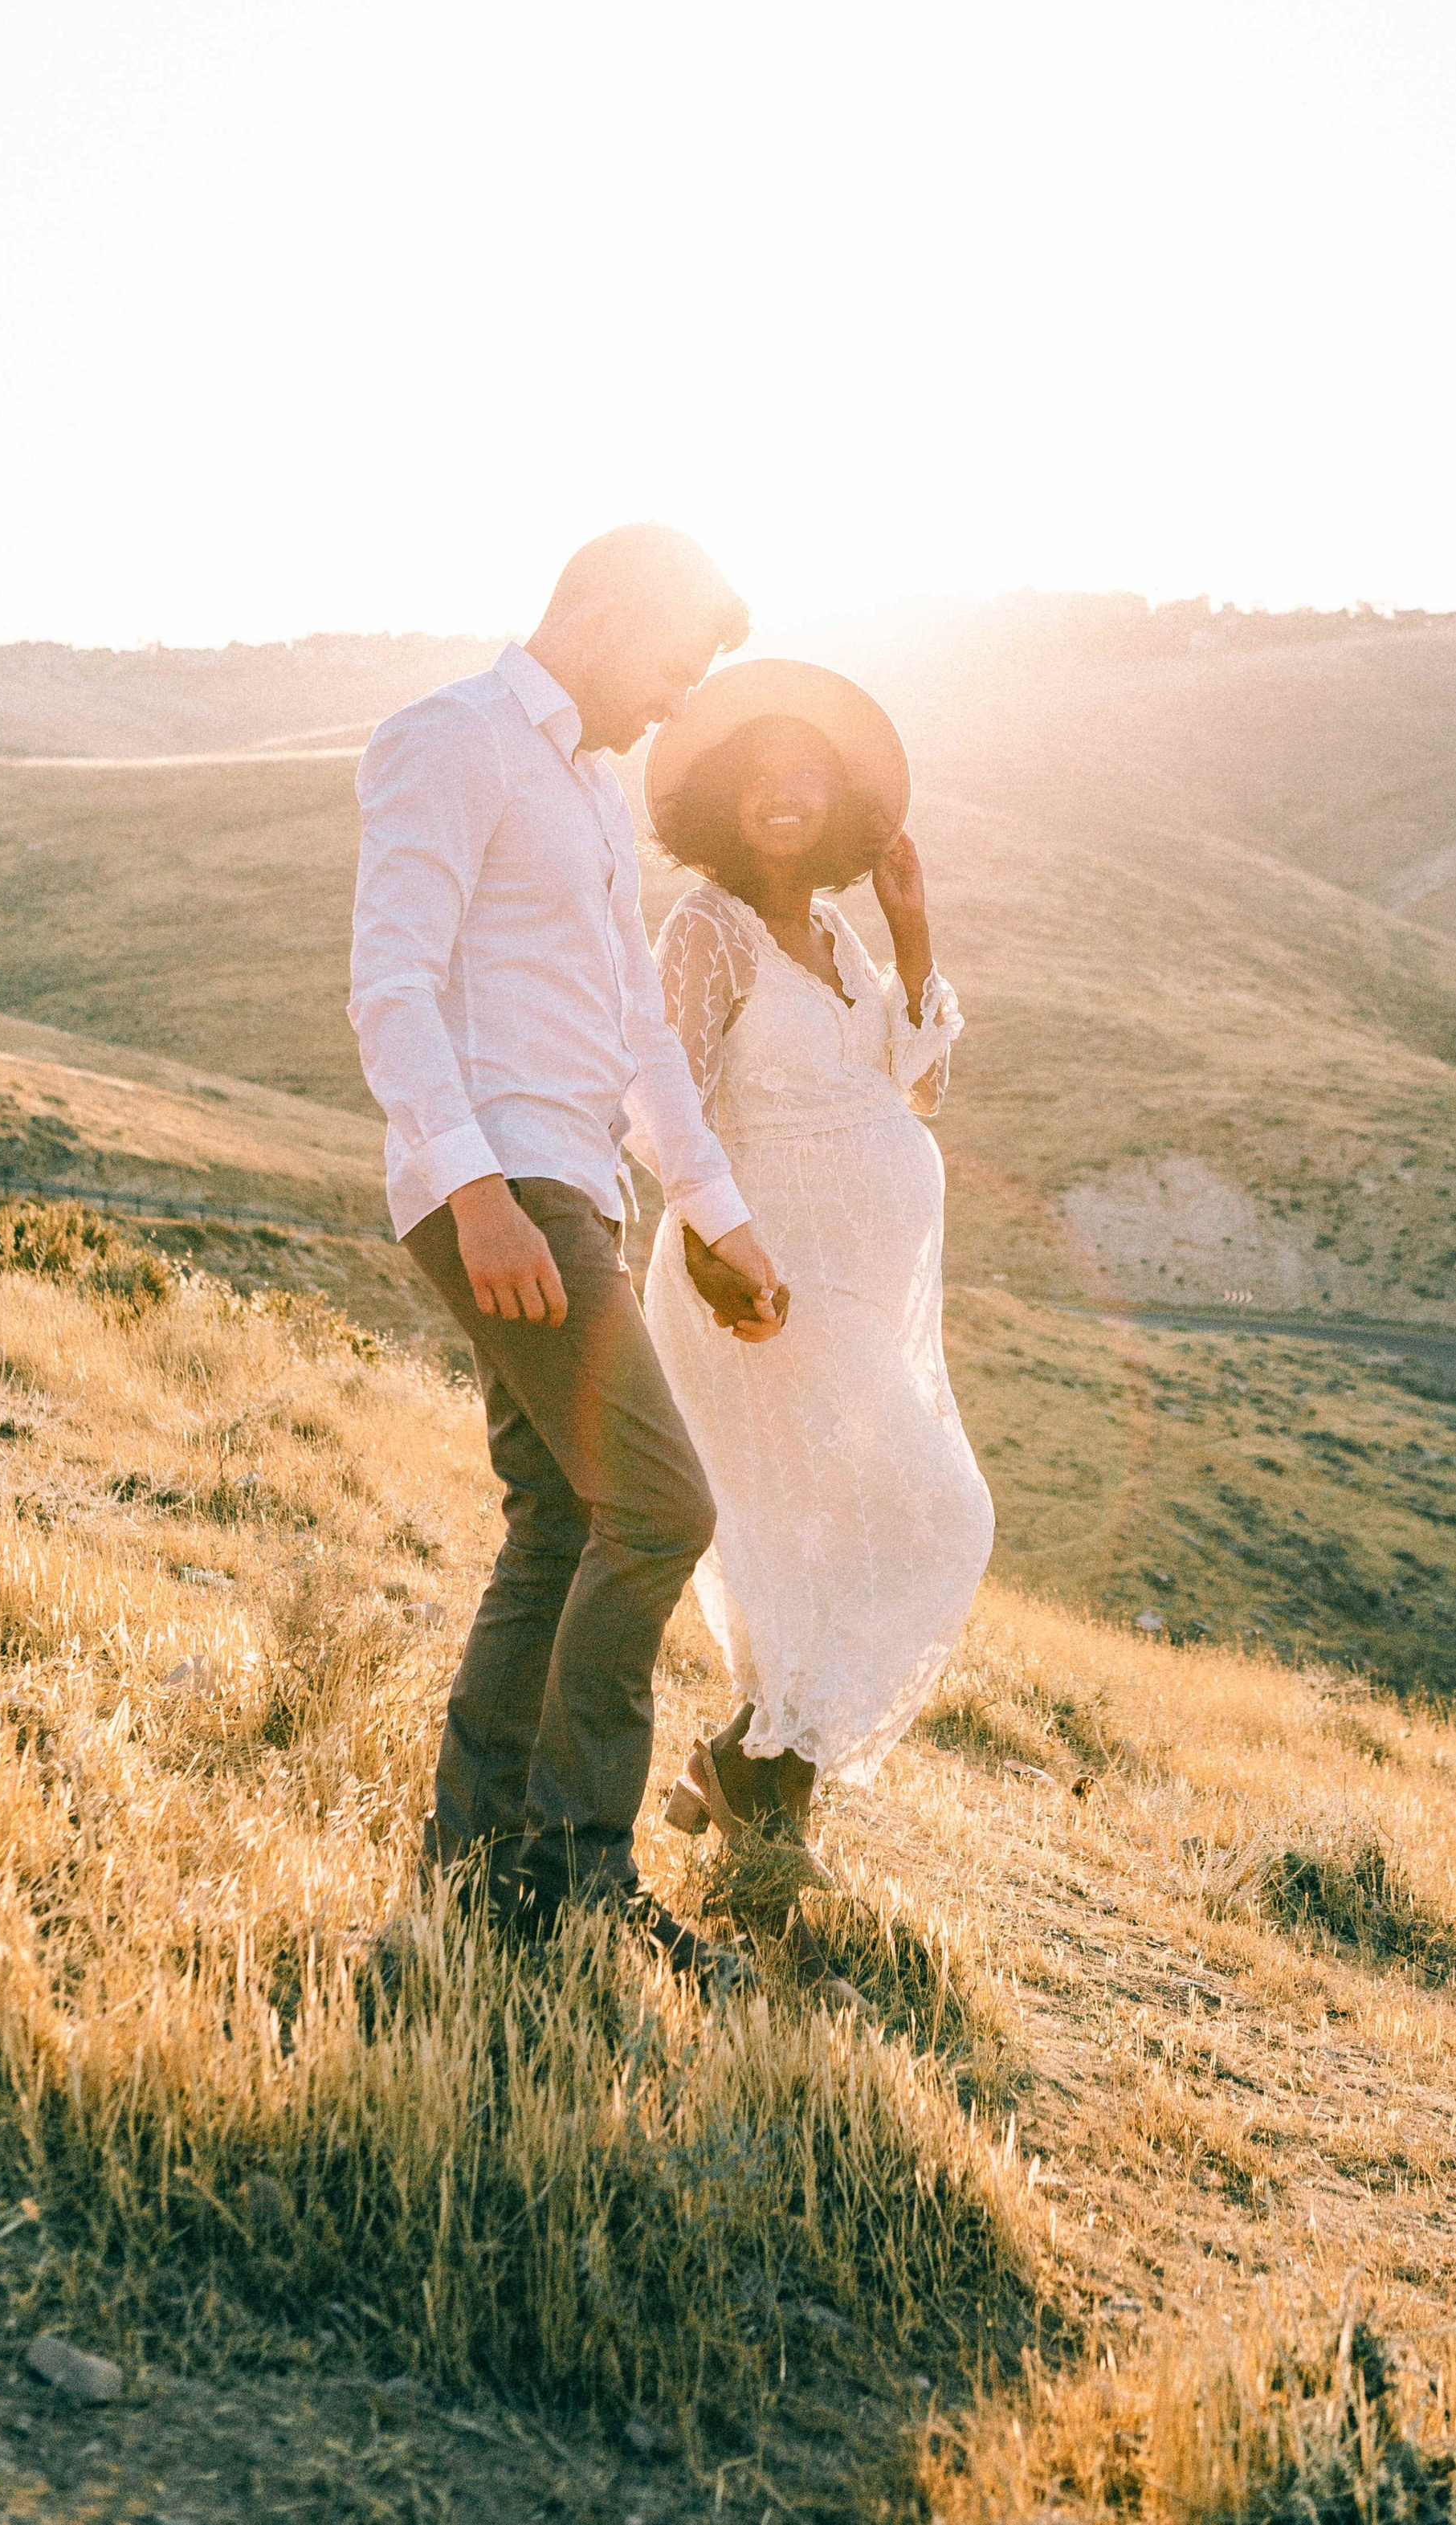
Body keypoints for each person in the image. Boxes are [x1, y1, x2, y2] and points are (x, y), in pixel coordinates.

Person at [347, 524, 786, 1976]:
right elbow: (393, 982)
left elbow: (642, 1037)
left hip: (575, 1188)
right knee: (661, 1510)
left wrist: (715, 1217)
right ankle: (577, 1872)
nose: (676, 699)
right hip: (501, 1183)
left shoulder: (596, 799)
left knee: (558, 1519)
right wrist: (476, 1192)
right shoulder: (449, 738)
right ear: (594, 612)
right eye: (670, 662)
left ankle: (475, 1883)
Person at [634, 659, 995, 1874]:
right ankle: (752, 1785)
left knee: (830, 1540)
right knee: (941, 1514)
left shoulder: (833, 931)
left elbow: (919, 1085)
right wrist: (707, 1241)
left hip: (851, 1293)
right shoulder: (706, 928)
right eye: (760, 777)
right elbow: (658, 1092)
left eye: (807, 778)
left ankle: (752, 1793)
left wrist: (912, 927)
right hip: (764, 1287)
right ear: (726, 797)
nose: (783, 796)